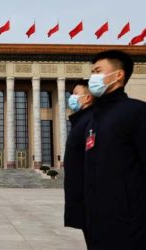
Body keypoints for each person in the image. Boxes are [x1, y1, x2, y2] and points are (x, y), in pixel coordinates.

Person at [83, 50, 146, 249]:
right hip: (98, 222)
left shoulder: (137, 112)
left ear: (118, 75)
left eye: (98, 71)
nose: (92, 77)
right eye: (92, 72)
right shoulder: (94, 120)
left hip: (129, 223)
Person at [64, 81, 94, 242]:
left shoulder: (92, 122)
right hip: (86, 203)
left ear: (88, 97)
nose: (71, 97)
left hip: (96, 204)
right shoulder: (82, 122)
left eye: (75, 94)